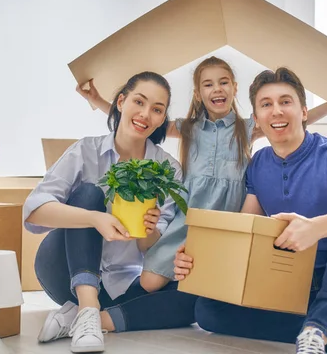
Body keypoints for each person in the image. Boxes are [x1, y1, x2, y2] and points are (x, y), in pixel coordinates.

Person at [78, 57, 327, 295]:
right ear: (198, 94)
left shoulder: (248, 126)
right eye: (208, 84)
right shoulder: (189, 127)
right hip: (190, 215)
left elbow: (303, 117)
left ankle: (193, 291)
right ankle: (184, 289)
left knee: (211, 281)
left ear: (234, 88)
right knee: (150, 283)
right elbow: (142, 123)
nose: (216, 88)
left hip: (228, 215)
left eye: (223, 82)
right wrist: (99, 99)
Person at [173, 68, 327, 354]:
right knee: (208, 311)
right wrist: (201, 251)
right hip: (295, 284)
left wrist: (316, 227)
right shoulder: (258, 164)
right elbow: (245, 227)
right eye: (266, 105)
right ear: (258, 118)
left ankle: (321, 331)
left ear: (303, 111)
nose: (276, 111)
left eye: (285, 102)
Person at [23, 71, 198, 353]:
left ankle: (85, 318)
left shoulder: (168, 170)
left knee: (195, 304)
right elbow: (33, 212)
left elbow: (152, 250)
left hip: (128, 285)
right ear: (120, 102)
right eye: (139, 102)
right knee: (89, 193)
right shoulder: (86, 150)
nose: (145, 114)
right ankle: (88, 307)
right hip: (65, 271)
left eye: (157, 110)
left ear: (162, 119)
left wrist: (149, 229)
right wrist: (94, 217)